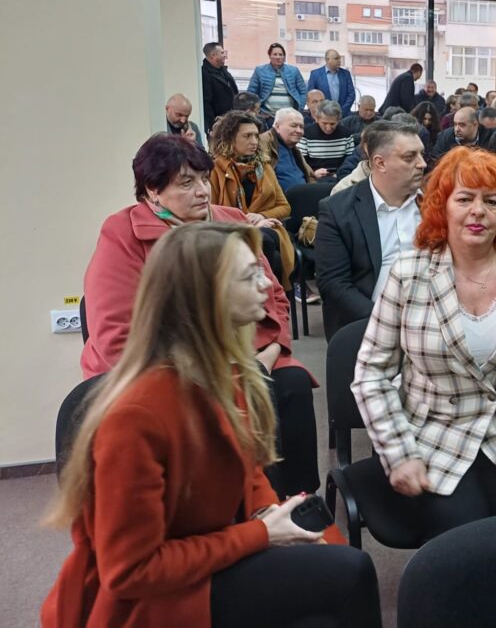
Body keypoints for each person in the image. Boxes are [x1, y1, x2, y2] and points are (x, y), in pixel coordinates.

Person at [44, 222, 380, 628]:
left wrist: (270, 512)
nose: (265, 284)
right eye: (249, 275)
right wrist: (261, 534)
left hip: (210, 552)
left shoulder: (220, 374)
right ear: (206, 297)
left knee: (333, 554)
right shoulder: (135, 417)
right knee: (349, 574)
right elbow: (131, 571)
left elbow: (247, 472)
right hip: (152, 601)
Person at [80, 134, 319, 496]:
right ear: (152, 190)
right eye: (186, 183)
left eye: (204, 179)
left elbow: (274, 300)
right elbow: (117, 335)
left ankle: (298, 501)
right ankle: (246, 506)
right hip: (164, 367)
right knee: (233, 399)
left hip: (246, 354)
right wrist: (214, 372)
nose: (203, 191)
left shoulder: (231, 220)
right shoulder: (122, 233)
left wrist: (268, 356)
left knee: (291, 384)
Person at [352, 147, 496, 539]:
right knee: (465, 545)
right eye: (464, 199)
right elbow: (371, 374)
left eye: (491, 201)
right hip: (434, 442)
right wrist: (398, 452)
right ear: (442, 206)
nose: (478, 212)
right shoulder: (408, 274)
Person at [317, 122, 426, 339]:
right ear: (380, 163)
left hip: (431, 321)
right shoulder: (338, 210)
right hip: (368, 323)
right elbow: (334, 283)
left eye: (422, 154)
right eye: (409, 157)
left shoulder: (435, 204)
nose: (422, 163)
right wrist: (386, 322)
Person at [209, 111, 296, 290]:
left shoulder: (264, 167)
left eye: (256, 135)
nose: (254, 141)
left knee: (268, 243)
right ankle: (263, 296)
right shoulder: (215, 169)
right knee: (266, 245)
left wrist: (261, 215)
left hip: (266, 227)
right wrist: (246, 223)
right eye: (247, 136)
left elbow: (284, 207)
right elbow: (211, 213)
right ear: (230, 138)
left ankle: (269, 298)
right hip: (228, 232)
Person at [259, 107, 314, 192]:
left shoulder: (294, 148)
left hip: (304, 194)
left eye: (301, 127)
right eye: (293, 126)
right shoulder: (263, 143)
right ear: (277, 126)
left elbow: (310, 176)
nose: (299, 131)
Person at [298, 100, 355, 181]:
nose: (328, 128)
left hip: (340, 177)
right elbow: (301, 162)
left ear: (338, 120)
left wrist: (340, 174)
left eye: (332, 124)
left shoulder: (346, 134)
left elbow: (350, 161)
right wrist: (313, 173)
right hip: (314, 177)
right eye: (324, 123)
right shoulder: (306, 134)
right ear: (317, 119)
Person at [247, 43, 307, 118]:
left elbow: (303, 91)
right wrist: (257, 111)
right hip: (266, 115)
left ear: (284, 57)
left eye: (281, 55)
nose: (278, 57)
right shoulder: (260, 70)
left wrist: (299, 109)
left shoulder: (294, 71)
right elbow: (251, 93)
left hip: (290, 115)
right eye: (275, 54)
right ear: (269, 56)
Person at [201, 41, 238, 134]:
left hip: (231, 119)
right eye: (222, 53)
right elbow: (206, 102)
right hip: (218, 122)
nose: (225, 55)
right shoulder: (205, 74)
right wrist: (212, 125)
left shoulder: (223, 71)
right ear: (213, 56)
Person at [308, 49, 355, 118]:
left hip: (344, 115)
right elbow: (311, 96)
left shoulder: (345, 74)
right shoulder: (315, 74)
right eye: (336, 58)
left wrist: (342, 111)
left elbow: (351, 94)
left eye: (339, 58)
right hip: (323, 116)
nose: (339, 61)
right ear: (327, 60)